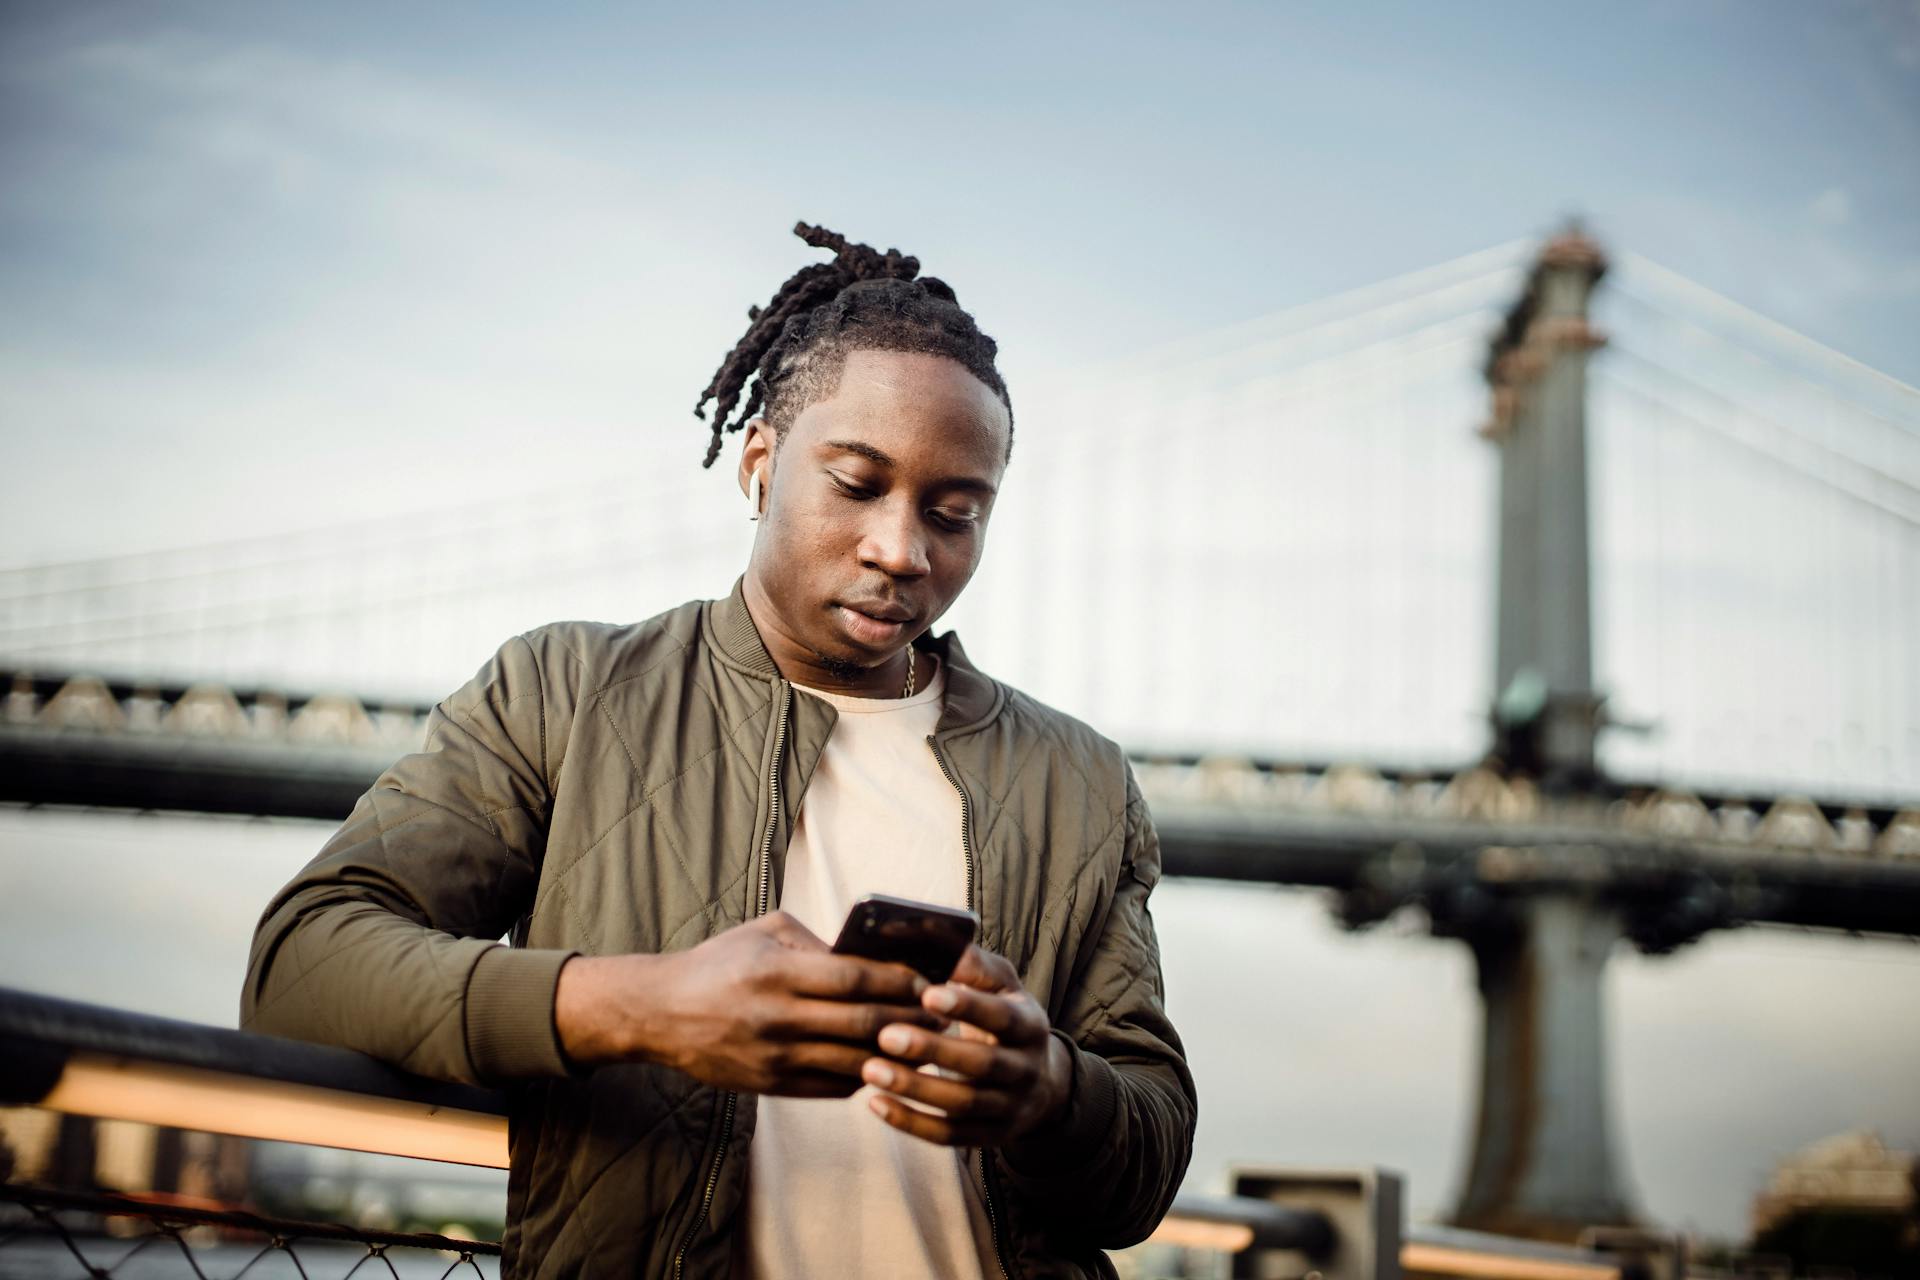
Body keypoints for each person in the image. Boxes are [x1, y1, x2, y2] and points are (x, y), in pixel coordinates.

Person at [240, 223, 1196, 1279]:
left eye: (955, 512)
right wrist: (640, 1005)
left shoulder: (1083, 779)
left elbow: (1145, 1162)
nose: (902, 548)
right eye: (856, 482)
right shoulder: (563, 691)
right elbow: (300, 963)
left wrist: (1049, 1092)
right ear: (759, 462)